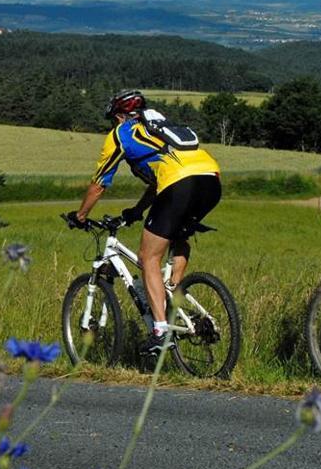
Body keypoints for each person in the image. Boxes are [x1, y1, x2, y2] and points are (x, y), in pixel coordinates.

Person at [66, 89, 222, 355]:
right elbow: (158, 184)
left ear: (118, 116)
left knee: (148, 257)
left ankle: (161, 331)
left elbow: (99, 184)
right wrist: (137, 211)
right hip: (211, 179)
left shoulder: (120, 134)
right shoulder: (160, 127)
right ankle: (170, 290)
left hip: (178, 184)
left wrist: (80, 216)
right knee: (176, 233)